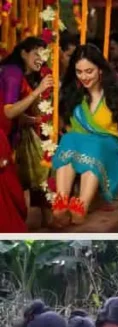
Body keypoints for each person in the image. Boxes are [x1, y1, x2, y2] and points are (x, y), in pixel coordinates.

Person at [50, 44, 118, 226]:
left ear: (100, 69)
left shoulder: (115, 93)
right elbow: (64, 125)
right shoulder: (73, 94)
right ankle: (61, 201)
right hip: (76, 144)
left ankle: (81, 204)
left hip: (107, 146)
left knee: (93, 145)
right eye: (79, 72)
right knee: (70, 138)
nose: (84, 77)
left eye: (89, 71)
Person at [0, 37, 52, 231]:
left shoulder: (18, 73)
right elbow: (8, 112)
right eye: (36, 53)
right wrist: (39, 90)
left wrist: (32, 121)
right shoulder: (13, 74)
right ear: (23, 53)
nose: (40, 58)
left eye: (44, 55)